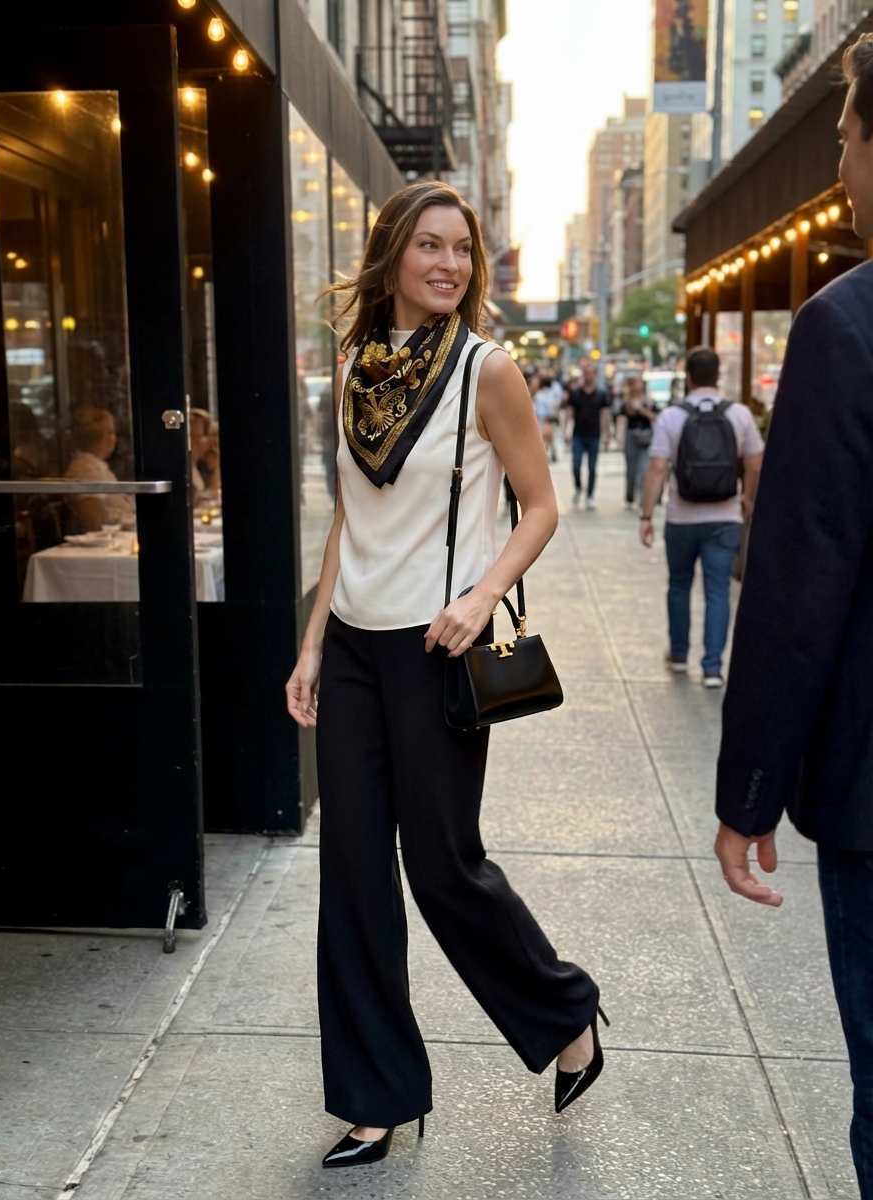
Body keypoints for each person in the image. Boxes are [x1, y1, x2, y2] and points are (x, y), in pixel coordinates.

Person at [285, 180, 607, 1170]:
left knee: (439, 865)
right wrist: (307, 645)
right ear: (390, 254)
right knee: (351, 875)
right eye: (427, 245)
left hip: (436, 647)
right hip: (350, 648)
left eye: (460, 250)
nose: (446, 264)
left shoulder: (486, 371)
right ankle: (374, 1097)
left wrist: (479, 593)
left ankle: (565, 1011)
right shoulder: (352, 372)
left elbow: (540, 504)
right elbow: (352, 517)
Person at [714, 35, 873, 1199]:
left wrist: (747, 796)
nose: (835, 171)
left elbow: (796, 591)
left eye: (840, 140)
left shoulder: (844, 329)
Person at [639, 346, 763, 687]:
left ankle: (679, 655)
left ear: (689, 377)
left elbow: (657, 467)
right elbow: (755, 462)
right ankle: (712, 667)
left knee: (679, 585)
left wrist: (646, 515)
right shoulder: (739, 415)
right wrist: (747, 498)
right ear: (718, 375)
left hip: (682, 517)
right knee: (718, 590)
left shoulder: (672, 417)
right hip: (725, 516)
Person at [64, 407, 135, 531]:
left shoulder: (95, 465)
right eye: (111, 432)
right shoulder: (86, 470)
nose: (114, 438)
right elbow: (93, 523)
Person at [562, 359, 610, 509]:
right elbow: (569, 412)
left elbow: (605, 414)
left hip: (594, 435)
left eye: (590, 373)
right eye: (585, 373)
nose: (588, 376)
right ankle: (578, 486)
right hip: (578, 434)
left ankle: (590, 495)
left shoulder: (601, 394)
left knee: (592, 467)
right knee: (576, 465)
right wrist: (566, 431)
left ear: (595, 375)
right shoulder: (576, 393)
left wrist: (607, 435)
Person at [621, 375, 657, 509]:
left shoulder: (649, 401)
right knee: (631, 469)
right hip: (631, 435)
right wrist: (620, 438)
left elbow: (655, 417)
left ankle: (643, 498)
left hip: (646, 436)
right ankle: (630, 496)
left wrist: (641, 409)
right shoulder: (626, 402)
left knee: (643, 468)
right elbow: (622, 419)